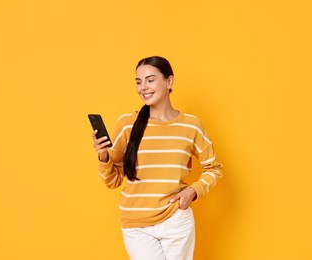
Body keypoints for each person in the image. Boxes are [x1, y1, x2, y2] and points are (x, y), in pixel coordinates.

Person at [91, 56, 223, 260]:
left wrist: (193, 191)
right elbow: (112, 181)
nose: (143, 87)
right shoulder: (127, 124)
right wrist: (102, 156)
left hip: (176, 219)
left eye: (150, 80)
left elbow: (214, 168)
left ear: (169, 82)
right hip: (137, 224)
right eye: (138, 81)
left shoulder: (191, 125)